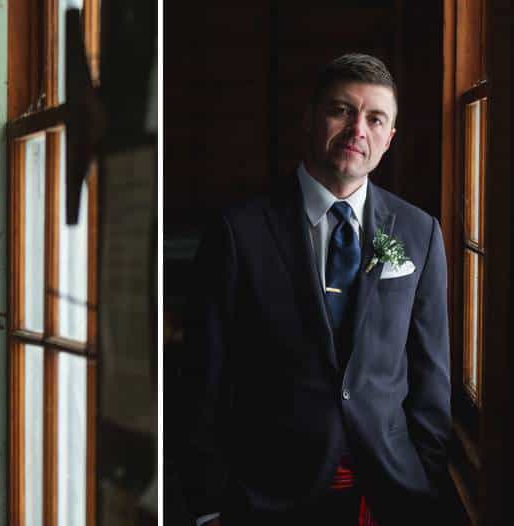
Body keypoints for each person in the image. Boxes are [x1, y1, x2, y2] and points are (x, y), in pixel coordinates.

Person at [181, 53, 453, 525]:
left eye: (375, 119)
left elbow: (431, 376)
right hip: (266, 497)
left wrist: (424, 482)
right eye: (342, 110)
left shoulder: (420, 232)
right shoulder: (237, 232)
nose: (357, 130)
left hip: (389, 497)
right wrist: (208, 506)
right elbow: (203, 378)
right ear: (309, 118)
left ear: (389, 138)